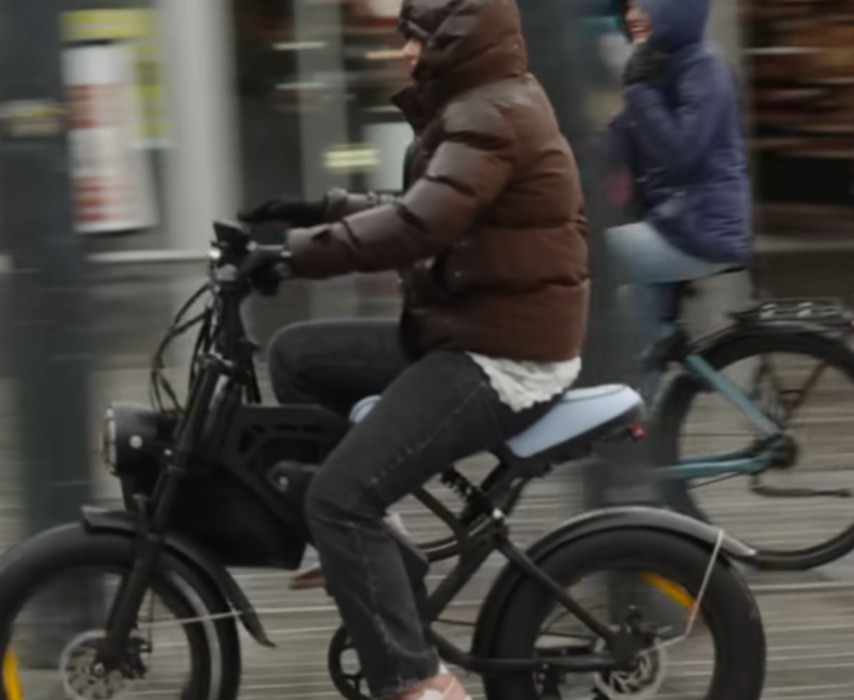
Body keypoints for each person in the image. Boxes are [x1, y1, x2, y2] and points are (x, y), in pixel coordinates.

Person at [241, 0, 589, 698]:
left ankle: (419, 681)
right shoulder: (477, 107)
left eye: (418, 39)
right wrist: (319, 210)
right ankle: (384, 546)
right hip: (468, 328)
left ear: (459, 41)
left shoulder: (492, 113)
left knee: (339, 497)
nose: (405, 53)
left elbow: (420, 224)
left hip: (500, 355)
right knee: (297, 358)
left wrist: (294, 258)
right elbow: (426, 201)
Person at [606, 0, 753, 393]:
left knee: (586, 257)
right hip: (675, 223)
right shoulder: (665, 64)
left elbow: (682, 155)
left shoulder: (703, 66)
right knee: (641, 347)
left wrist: (638, 91)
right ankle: (636, 436)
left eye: (645, 5)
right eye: (630, 6)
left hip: (697, 229)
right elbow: (622, 144)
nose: (632, 15)